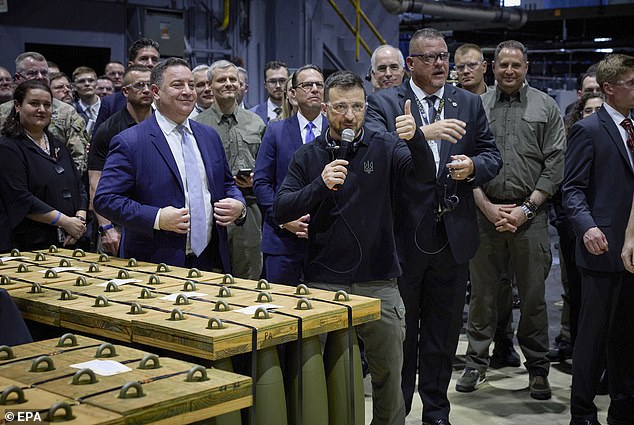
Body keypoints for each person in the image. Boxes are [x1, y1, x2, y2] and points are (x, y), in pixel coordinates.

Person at [274, 69, 435, 425]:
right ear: (326, 108)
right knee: (330, 376)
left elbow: (423, 178)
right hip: (325, 282)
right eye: (341, 107)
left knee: (390, 376)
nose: (350, 115)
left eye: (358, 107)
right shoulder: (308, 155)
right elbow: (281, 208)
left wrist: (417, 140)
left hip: (379, 281)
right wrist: (320, 184)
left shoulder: (386, 145)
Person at [365, 27, 502, 425]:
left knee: (442, 336)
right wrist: (421, 135)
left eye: (444, 56)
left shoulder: (469, 103)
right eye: (431, 57)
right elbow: (373, 153)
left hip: (452, 236)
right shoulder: (385, 103)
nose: (441, 63)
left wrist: (474, 166)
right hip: (403, 238)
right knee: (402, 336)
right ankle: (398, 410)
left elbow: (491, 154)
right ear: (411, 64)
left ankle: (437, 413)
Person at [458, 40, 565, 401]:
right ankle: (476, 361)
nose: (509, 71)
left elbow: (554, 165)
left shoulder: (545, 106)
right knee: (483, 296)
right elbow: (463, 160)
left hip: (530, 216)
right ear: (493, 66)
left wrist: (527, 210)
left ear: (526, 67)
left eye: (516, 65)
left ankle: (537, 368)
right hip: (484, 213)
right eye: (503, 64)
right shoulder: (477, 106)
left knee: (534, 297)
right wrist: (486, 206)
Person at [94, 58, 246, 271]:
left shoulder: (209, 136)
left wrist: (239, 206)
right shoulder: (130, 141)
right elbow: (105, 200)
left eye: (191, 85)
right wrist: (156, 218)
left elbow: (227, 185)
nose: (188, 91)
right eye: (177, 85)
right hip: (155, 262)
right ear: (156, 92)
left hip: (210, 259)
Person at [563, 53, 634, 425]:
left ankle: (623, 409)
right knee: (592, 338)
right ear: (610, 88)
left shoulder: (632, 127)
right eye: (631, 82)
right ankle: (583, 412)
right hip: (601, 248)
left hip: (632, 249)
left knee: (626, 336)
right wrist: (587, 226)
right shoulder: (588, 130)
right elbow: (572, 189)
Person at [455, 42, 520, 369]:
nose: (465, 71)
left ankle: (505, 341)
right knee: (477, 287)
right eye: (460, 66)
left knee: (505, 282)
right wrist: (484, 204)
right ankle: (473, 352)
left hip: (509, 206)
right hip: (469, 204)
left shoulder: (501, 104)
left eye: (472, 65)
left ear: (485, 67)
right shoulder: (456, 106)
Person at [254, 64, 327, 285]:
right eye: (307, 85)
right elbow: (262, 183)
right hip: (282, 242)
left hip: (326, 241)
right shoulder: (276, 131)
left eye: (319, 85)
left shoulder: (337, 132)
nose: (315, 89)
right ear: (293, 93)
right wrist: (284, 219)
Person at [194, 60, 265, 279]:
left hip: (250, 209)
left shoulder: (256, 122)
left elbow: (267, 167)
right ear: (210, 85)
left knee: (250, 274)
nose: (228, 84)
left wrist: (256, 179)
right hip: (212, 212)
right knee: (211, 275)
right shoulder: (197, 124)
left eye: (232, 79)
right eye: (221, 80)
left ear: (241, 85)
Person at [549, 91, 605, 365]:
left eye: (599, 109)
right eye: (588, 110)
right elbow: (568, 190)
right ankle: (580, 357)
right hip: (576, 230)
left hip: (611, 232)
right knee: (577, 296)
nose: (593, 115)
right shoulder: (576, 140)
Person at [0, 80, 87, 250]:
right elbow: (20, 198)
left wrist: (79, 220)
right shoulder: (8, 147)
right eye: (34, 104)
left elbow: (79, 186)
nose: (41, 110)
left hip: (71, 240)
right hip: (29, 244)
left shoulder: (58, 145)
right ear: (18, 106)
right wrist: (65, 221)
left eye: (47, 105)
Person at [88, 65, 153, 255]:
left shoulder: (162, 124)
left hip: (154, 218)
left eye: (150, 85)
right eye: (140, 85)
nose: (147, 90)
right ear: (125, 91)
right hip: (117, 221)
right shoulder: (108, 129)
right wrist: (106, 228)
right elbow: (95, 181)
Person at [0, 52, 88, 174]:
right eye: (32, 73)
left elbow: (78, 155)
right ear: (17, 78)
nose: (40, 77)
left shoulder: (66, 111)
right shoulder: (2, 112)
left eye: (44, 73)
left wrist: (64, 180)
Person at [93, 38, 160, 135]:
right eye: (144, 59)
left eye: (154, 59)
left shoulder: (166, 99)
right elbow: (99, 142)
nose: (150, 64)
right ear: (130, 65)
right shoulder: (111, 103)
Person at [72, 66, 100, 136]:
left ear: (97, 84)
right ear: (74, 87)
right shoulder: (72, 110)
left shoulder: (109, 106)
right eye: (81, 81)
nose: (87, 84)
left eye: (91, 80)